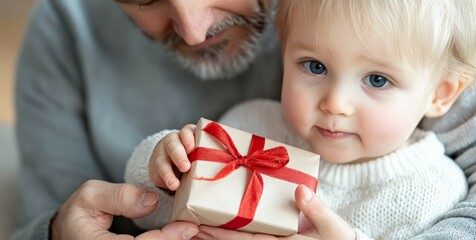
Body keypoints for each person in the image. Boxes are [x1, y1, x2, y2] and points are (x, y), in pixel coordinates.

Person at [12, 0, 476, 239]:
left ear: (440, 96)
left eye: (376, 80)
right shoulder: (250, 125)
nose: (336, 103)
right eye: (313, 67)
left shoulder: (431, 189)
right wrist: (164, 157)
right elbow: (156, 197)